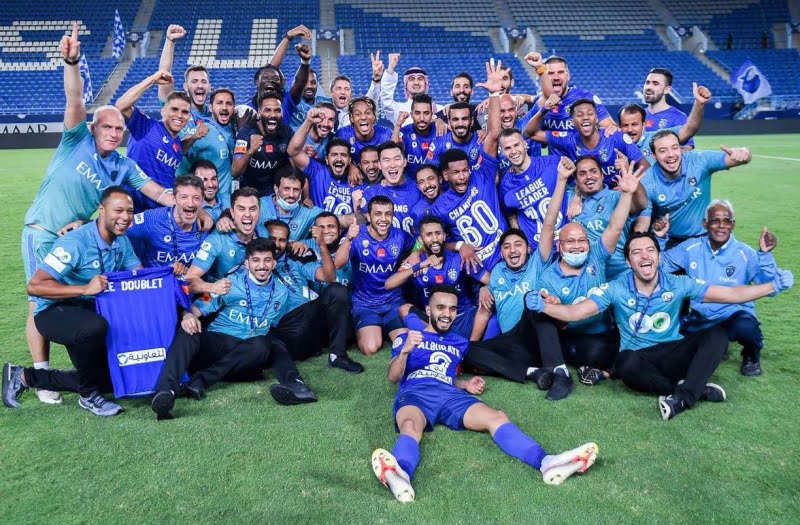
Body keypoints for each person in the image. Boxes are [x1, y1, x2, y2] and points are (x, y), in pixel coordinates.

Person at [21, 24, 174, 405]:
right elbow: (75, 100)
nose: (115, 132)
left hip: (76, 235)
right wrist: (72, 62)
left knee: (82, 302)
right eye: (108, 126)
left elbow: (155, 191)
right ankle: (40, 376)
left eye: (120, 128)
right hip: (43, 230)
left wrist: (188, 203)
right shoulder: (76, 140)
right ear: (94, 127)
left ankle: (80, 369)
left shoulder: (121, 166)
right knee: (40, 301)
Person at [525, 231, 794, 420]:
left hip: (672, 352)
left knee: (718, 333)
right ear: (629, 262)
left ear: (659, 257)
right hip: (639, 358)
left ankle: (683, 396)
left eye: (650, 250)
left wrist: (773, 286)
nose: (644, 256)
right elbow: (575, 312)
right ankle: (694, 390)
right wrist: (543, 306)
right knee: (626, 363)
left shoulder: (678, 283)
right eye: (636, 252)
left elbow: (731, 294)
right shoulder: (615, 288)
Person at [370, 285, 598, 503]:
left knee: (497, 417)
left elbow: (443, 374)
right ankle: (401, 473)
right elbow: (393, 376)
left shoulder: (459, 343)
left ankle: (546, 462)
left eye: (452, 309)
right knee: (410, 426)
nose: (447, 314)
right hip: (416, 393)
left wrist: (465, 384)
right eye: (440, 307)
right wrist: (405, 351)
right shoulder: (407, 338)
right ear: (428, 310)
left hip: (450, 395)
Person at [5, 187, 143, 416]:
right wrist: (85, 289)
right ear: (101, 210)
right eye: (118, 210)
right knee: (95, 327)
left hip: (87, 312)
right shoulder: (75, 242)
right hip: (53, 311)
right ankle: (88, 396)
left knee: (110, 379)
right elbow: (35, 286)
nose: (125, 217)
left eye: (129, 211)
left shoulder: (122, 242)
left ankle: (26, 376)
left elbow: (139, 276)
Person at [150, 237, 317, 420]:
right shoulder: (228, 283)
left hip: (247, 358)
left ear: (274, 263)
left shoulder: (282, 292)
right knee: (189, 330)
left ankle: (297, 386)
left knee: (270, 343)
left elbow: (283, 322)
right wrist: (187, 315)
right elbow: (197, 308)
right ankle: (166, 392)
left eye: (267, 260)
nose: (262, 266)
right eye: (256, 260)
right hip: (220, 343)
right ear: (246, 263)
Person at [536, 157, 643, 385]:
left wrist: (626, 194)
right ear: (559, 246)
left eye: (581, 240)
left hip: (596, 335)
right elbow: (549, 223)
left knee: (606, 351)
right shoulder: (548, 268)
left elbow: (615, 227)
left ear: (589, 243)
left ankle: (602, 370)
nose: (576, 246)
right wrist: (562, 180)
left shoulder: (596, 256)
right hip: (566, 333)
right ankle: (560, 369)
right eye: (570, 242)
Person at [656, 200, 778, 376]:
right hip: (701, 316)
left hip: (734, 315)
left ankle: (751, 355)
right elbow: (660, 265)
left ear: (733, 225)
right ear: (705, 223)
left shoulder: (745, 253)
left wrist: (765, 255)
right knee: (673, 343)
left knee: (747, 328)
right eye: (715, 220)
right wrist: (659, 238)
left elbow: (768, 287)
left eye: (726, 221)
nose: (721, 226)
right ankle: (717, 343)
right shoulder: (691, 247)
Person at [431, 61, 505, 272]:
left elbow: (494, 135)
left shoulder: (481, 173)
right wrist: (458, 245)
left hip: (506, 255)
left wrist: (494, 94)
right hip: (478, 271)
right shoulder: (439, 207)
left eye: (465, 119)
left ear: (472, 122)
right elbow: (428, 241)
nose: (460, 123)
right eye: (455, 119)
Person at [265, 220, 364, 373]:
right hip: (287, 326)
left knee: (337, 290)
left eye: (282, 240)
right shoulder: (256, 264)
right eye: (272, 239)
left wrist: (321, 244)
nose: (277, 244)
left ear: (288, 241)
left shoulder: (296, 257)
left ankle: (337, 356)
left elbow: (329, 277)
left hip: (310, 316)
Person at [385, 216, 490, 340]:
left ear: (444, 236)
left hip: (463, 317)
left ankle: (471, 346)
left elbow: (489, 280)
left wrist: (485, 287)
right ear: (421, 239)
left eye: (438, 233)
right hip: (434, 322)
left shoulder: (458, 258)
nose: (435, 239)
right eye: (429, 235)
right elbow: (389, 284)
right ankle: (438, 342)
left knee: (485, 306)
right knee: (404, 309)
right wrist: (420, 266)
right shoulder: (415, 262)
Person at [642, 130, 751, 247]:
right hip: (671, 241)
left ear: (680, 149)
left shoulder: (699, 161)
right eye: (663, 151)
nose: (671, 154)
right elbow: (642, 223)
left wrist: (744, 153)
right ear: (654, 156)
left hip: (706, 237)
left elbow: (742, 158)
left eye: (675, 148)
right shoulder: (647, 182)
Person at [335, 196, 415, 356]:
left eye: (388, 214)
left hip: (393, 302)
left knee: (406, 344)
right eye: (378, 214)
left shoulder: (400, 236)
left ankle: (387, 326)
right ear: (369, 217)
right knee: (370, 348)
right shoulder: (357, 235)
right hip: (365, 304)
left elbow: (418, 244)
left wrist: (416, 254)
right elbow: (338, 263)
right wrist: (348, 239)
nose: (384, 219)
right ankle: (375, 328)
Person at [527, 97, 647, 187]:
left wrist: (629, 181)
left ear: (597, 118)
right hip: (583, 198)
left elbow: (646, 167)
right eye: (579, 115)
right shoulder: (568, 140)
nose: (585, 117)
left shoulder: (616, 137)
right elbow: (530, 133)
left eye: (590, 113)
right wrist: (544, 109)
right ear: (572, 122)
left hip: (616, 193)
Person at [114, 70, 191, 212]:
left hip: (159, 211)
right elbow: (121, 105)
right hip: (131, 206)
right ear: (163, 111)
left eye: (185, 112)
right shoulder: (147, 126)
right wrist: (152, 80)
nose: (179, 115)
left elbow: (176, 150)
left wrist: (195, 137)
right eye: (174, 109)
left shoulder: (177, 145)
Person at [568, 155, 651, 278]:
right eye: (582, 174)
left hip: (619, 273)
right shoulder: (568, 198)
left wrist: (634, 187)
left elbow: (641, 204)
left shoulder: (616, 197)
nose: (589, 176)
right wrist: (576, 195)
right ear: (576, 180)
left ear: (602, 175)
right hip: (585, 276)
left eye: (593, 171)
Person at [289, 108, 365, 217]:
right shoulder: (317, 170)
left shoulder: (356, 181)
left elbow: (363, 221)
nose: (339, 159)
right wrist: (308, 122)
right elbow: (293, 151)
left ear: (349, 160)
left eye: (343, 155)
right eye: (334, 155)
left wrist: (357, 210)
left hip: (347, 228)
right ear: (326, 159)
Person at [127, 174, 208, 275]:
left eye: (196, 198)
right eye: (184, 197)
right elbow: (119, 228)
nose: (190, 203)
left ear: (202, 200)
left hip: (190, 283)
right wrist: (135, 267)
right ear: (174, 199)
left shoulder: (207, 225)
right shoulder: (153, 219)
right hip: (156, 282)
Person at [186, 187, 263, 293]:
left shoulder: (264, 233)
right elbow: (189, 279)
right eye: (241, 209)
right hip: (222, 298)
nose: (247, 214)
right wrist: (212, 287)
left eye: (253, 209)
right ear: (232, 212)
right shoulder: (216, 240)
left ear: (259, 211)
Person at [497, 128, 563, 250]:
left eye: (516, 145)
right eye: (507, 148)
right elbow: (511, 217)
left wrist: (576, 198)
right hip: (536, 250)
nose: (513, 151)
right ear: (502, 152)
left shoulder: (552, 163)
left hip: (564, 241)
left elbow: (577, 177)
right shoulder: (505, 186)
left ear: (525, 144)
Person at [619, 81, 710, 161]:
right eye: (625, 125)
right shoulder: (616, 143)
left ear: (644, 125)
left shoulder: (654, 139)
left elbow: (688, 130)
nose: (630, 129)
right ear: (620, 127)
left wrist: (699, 104)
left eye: (634, 124)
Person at [521, 55, 615, 132]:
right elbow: (525, 133)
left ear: (568, 76)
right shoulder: (542, 101)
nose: (556, 77)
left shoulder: (586, 98)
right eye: (551, 73)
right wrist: (519, 98)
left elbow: (611, 128)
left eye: (560, 72)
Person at [177, 88, 236, 207]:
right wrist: (194, 137)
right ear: (210, 108)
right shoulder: (203, 129)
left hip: (228, 201)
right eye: (219, 103)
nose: (224, 107)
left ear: (234, 109)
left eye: (228, 103)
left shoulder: (236, 130)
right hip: (206, 204)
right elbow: (179, 151)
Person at [232, 91, 292, 196]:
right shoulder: (246, 133)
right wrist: (251, 150)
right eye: (267, 110)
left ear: (282, 113)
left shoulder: (286, 132)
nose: (273, 115)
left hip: (272, 193)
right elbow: (235, 172)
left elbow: (296, 163)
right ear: (259, 113)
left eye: (277, 110)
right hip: (248, 192)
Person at [362, 141, 423, 235]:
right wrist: (357, 209)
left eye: (396, 159)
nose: (392, 165)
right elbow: (363, 229)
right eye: (386, 160)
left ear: (405, 162)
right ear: (379, 165)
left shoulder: (419, 189)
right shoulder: (370, 193)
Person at [256, 167, 323, 240]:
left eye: (295, 190)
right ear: (276, 189)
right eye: (286, 189)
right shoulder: (259, 207)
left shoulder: (307, 212)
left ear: (301, 191)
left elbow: (331, 219)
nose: (291, 195)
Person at [380, 54, 439, 127]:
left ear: (426, 83)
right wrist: (391, 68)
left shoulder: (440, 109)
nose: (416, 83)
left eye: (420, 79)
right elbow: (386, 100)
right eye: (412, 79)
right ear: (406, 85)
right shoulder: (398, 110)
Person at [643, 68, 695, 150]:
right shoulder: (639, 115)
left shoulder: (679, 117)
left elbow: (688, 148)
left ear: (667, 90)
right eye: (647, 83)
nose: (649, 87)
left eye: (655, 84)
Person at [335, 96, 393, 164]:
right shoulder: (342, 135)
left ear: (374, 116)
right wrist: (351, 166)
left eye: (368, 113)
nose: (363, 117)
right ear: (351, 118)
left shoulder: (386, 136)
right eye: (357, 114)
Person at [393, 94, 436, 179]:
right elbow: (392, 154)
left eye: (426, 113)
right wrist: (397, 125)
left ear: (432, 114)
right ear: (411, 114)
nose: (422, 118)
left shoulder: (440, 131)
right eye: (417, 113)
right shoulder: (404, 132)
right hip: (410, 183)